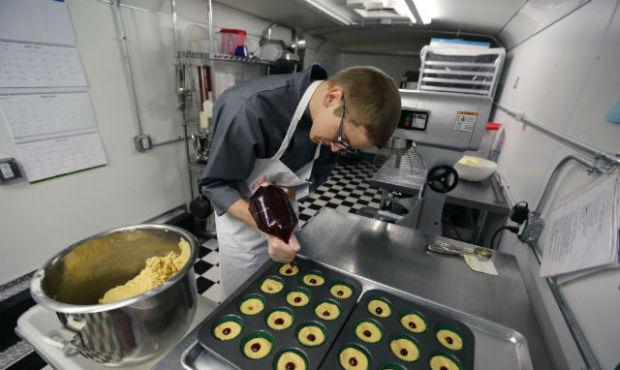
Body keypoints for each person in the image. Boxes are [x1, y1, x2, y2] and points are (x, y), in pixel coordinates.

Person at [199, 64, 401, 298]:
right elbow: (214, 184)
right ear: (333, 97)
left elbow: (319, 174)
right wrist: (267, 226)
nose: (336, 148)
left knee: (280, 297)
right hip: (241, 224)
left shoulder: (332, 129)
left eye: (346, 147)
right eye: (340, 138)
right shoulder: (248, 107)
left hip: (284, 215)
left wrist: (286, 192)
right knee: (245, 299)